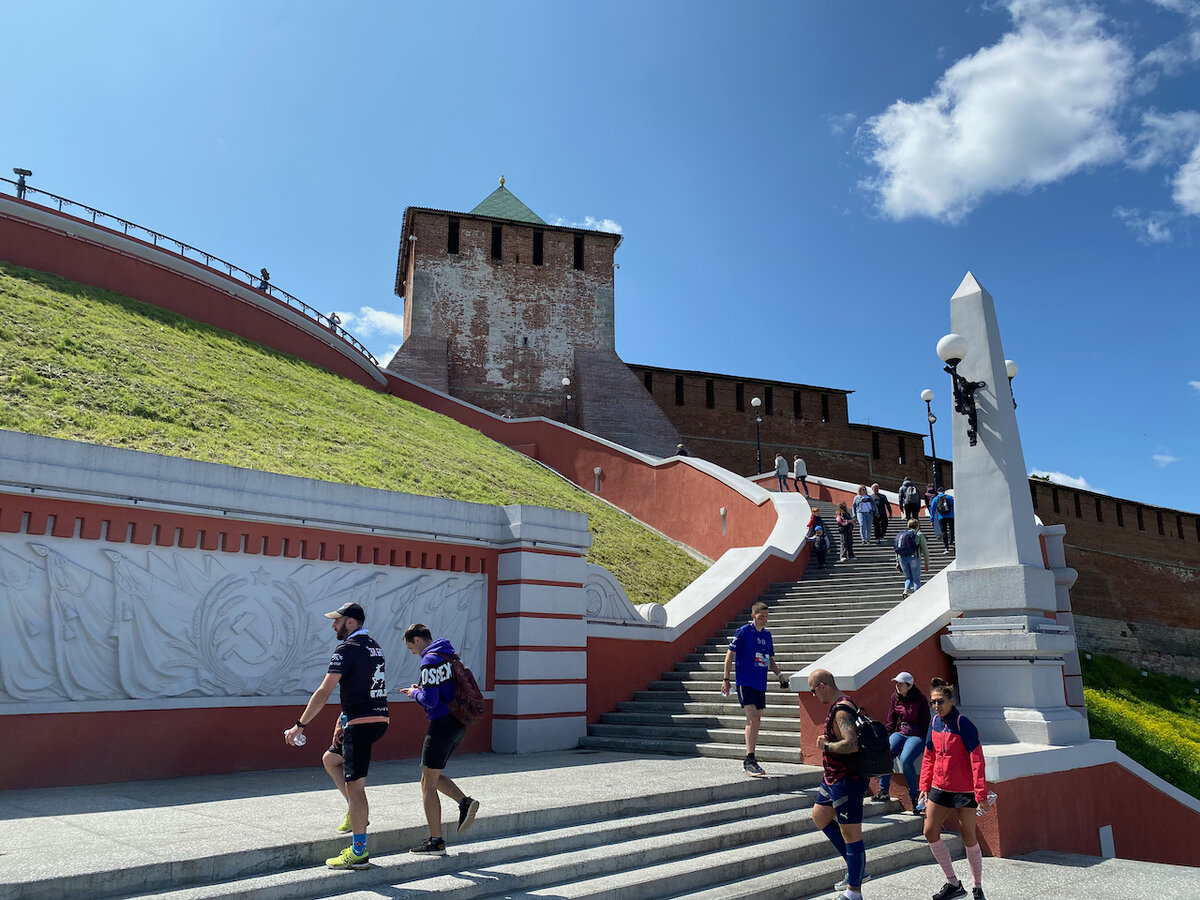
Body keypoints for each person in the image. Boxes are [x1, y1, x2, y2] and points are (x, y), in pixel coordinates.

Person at [284, 601, 389, 870]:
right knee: (331, 760)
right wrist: (342, 719)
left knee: (356, 788)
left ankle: (359, 851)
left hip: (361, 723)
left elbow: (324, 691)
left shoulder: (347, 648)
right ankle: (354, 813)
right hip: (374, 718)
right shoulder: (373, 646)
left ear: (350, 622)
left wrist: (300, 724)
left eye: (338, 621)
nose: (334, 625)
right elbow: (359, 687)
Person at [400, 623, 481, 855]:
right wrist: (422, 689)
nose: (413, 653)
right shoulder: (447, 655)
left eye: (411, 648)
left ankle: (436, 842)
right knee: (431, 775)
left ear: (417, 640)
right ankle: (464, 803)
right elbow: (440, 690)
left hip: (442, 726)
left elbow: (431, 700)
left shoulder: (429, 660)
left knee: (427, 783)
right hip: (459, 724)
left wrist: (414, 692)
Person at [919, 678, 992, 900]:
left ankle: (977, 886)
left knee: (968, 835)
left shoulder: (964, 724)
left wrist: (980, 793)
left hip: (964, 790)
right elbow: (929, 756)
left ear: (951, 700)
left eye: (940, 701)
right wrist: (924, 785)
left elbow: (977, 760)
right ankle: (953, 883)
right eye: (933, 702)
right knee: (929, 831)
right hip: (939, 787)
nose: (936, 706)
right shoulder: (934, 724)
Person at [808, 668, 869, 900]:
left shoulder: (842, 710)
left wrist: (827, 746)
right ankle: (857, 871)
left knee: (851, 834)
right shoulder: (839, 706)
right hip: (832, 777)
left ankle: (854, 892)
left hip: (847, 780)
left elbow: (851, 744)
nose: (814, 695)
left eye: (813, 691)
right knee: (820, 815)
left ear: (823, 686)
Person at [723, 601, 789, 776]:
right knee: (752, 719)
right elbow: (730, 654)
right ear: (753, 615)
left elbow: (769, 659)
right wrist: (726, 679)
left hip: (760, 683)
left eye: (767, 617)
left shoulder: (767, 635)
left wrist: (780, 676)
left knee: (757, 721)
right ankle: (750, 759)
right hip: (745, 681)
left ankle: (750, 758)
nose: (765, 620)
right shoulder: (744, 631)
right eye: (761, 616)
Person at [873, 671, 930, 814]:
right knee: (886, 753)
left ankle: (914, 797)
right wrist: (886, 738)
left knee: (905, 760)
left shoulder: (920, 700)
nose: (897, 686)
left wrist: (928, 742)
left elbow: (926, 722)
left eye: (900, 683)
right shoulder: (895, 698)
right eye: (896, 683)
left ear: (909, 685)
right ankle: (883, 791)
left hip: (916, 735)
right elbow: (891, 720)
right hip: (902, 732)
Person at [894, 518, 930, 598]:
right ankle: (917, 596)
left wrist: (897, 561)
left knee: (908, 578)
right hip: (914, 558)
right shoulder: (919, 535)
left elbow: (898, 549)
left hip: (902, 558)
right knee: (916, 579)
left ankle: (906, 590)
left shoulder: (902, 535)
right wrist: (926, 563)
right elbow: (925, 550)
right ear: (917, 526)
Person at [933, 489, 955, 553]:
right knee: (951, 529)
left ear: (938, 492)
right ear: (944, 491)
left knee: (944, 532)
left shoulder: (935, 499)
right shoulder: (949, 497)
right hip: (951, 516)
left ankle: (946, 547)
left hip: (941, 517)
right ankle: (951, 541)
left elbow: (932, 510)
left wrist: (932, 520)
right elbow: (954, 505)